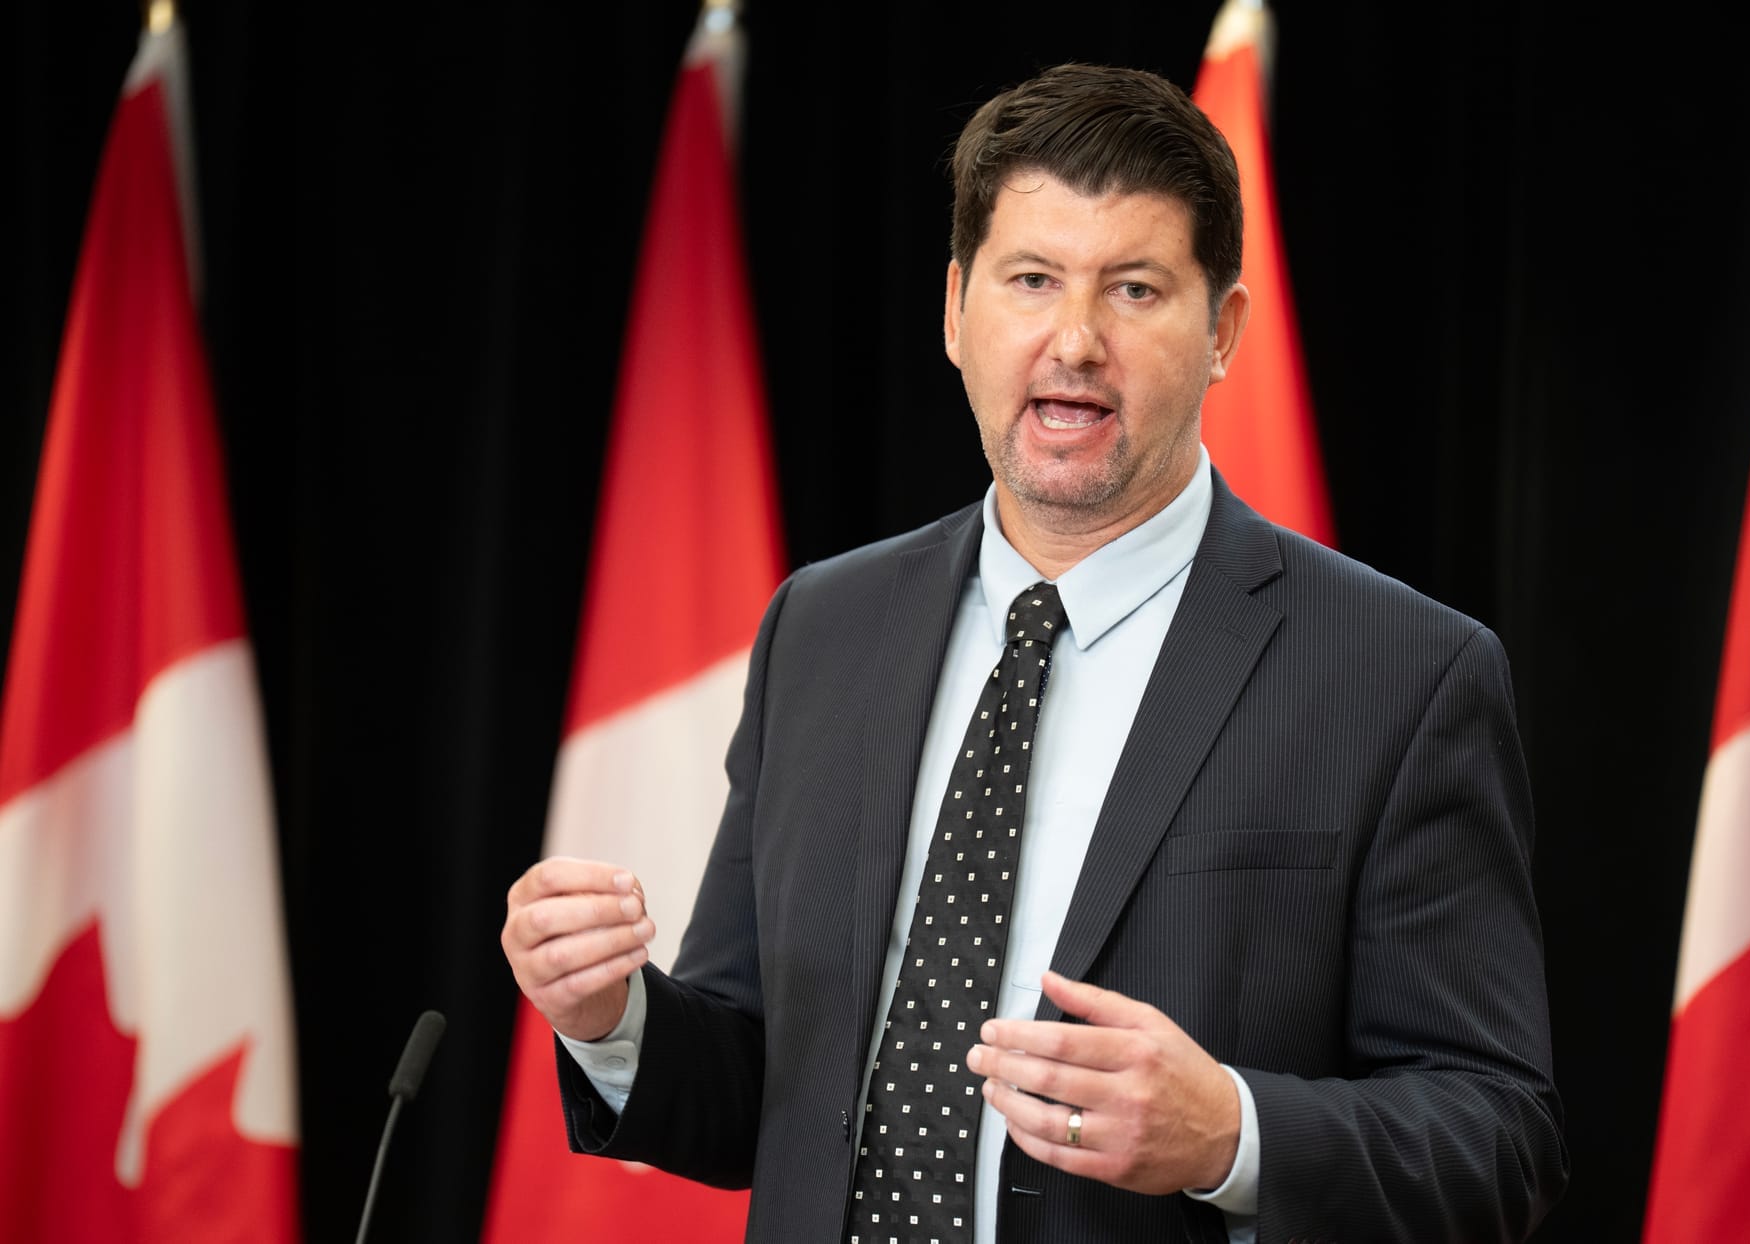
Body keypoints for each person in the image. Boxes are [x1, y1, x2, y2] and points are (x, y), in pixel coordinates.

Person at [501, 63, 1567, 1244]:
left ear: (1220, 331)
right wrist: (611, 1018)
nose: (1074, 339)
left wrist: (1230, 1134)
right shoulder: (823, 626)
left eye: (1134, 288)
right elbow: (767, 1079)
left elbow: (1497, 1135)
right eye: (1030, 280)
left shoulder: (1402, 674)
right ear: (955, 310)